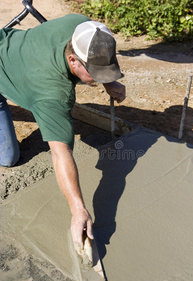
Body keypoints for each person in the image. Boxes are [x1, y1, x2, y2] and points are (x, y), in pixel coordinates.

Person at [0, 14, 126, 250]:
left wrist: (108, 81)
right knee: (8, 159)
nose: (98, 79)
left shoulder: (86, 29)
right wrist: (78, 208)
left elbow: (99, 53)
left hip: (11, 48)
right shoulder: (53, 94)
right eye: (96, 74)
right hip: (5, 67)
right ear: (73, 60)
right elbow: (60, 153)